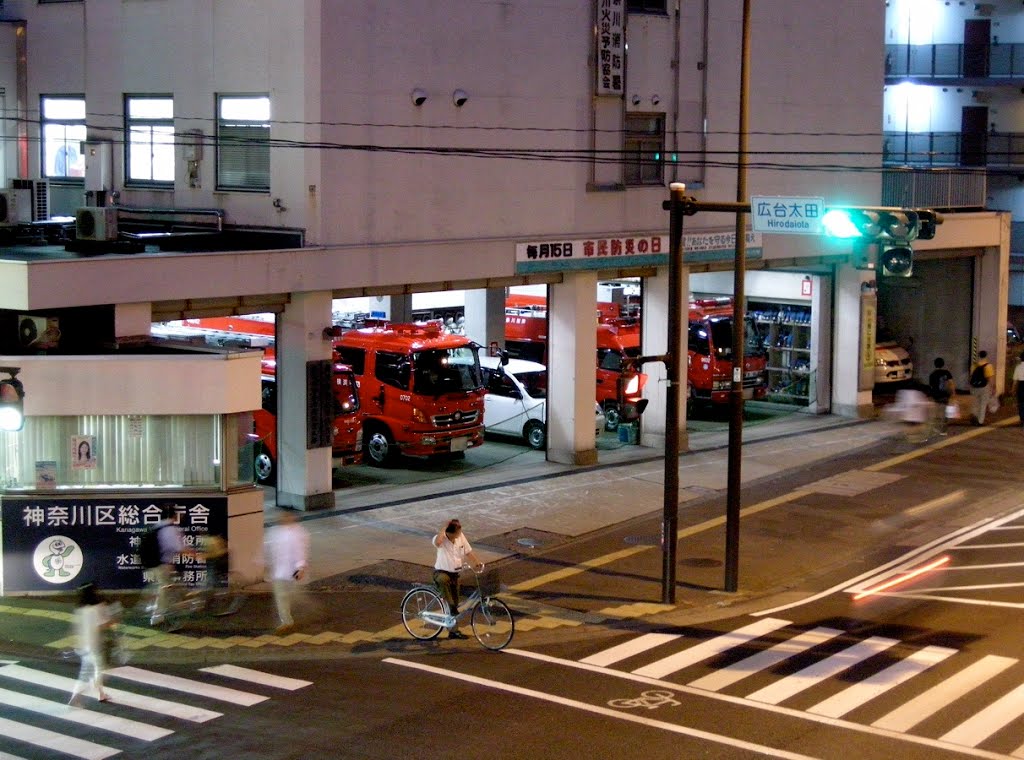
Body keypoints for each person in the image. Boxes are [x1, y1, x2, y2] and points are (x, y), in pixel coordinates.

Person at [432, 518, 484, 640]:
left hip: (455, 574)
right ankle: (451, 606)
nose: (459, 535)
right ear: (450, 533)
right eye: (457, 533)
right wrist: (444, 529)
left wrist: (477, 562)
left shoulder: (460, 537)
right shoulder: (441, 538)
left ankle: (453, 631)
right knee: (443, 582)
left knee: (455, 601)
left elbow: (468, 551)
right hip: (442, 572)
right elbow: (437, 543)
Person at [264, 510, 309, 635]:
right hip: (279, 571)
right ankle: (287, 622)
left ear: (292, 517)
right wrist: (265, 564)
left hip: (293, 571)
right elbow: (268, 548)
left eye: (287, 516)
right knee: (281, 597)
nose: (284, 518)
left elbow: (301, 551)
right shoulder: (274, 531)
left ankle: (304, 610)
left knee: (294, 596)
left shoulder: (298, 532)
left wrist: (301, 568)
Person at [68, 583, 110, 706]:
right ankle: (84, 692)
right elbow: (103, 625)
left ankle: (100, 694)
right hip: (93, 646)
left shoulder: (80, 610)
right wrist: (111, 617)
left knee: (86, 671)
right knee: (99, 670)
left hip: (81, 646)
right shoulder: (95, 609)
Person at [148, 504, 187, 623]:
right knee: (164, 588)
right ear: (174, 515)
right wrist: (195, 554)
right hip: (163, 563)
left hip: (152, 562)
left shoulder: (157, 526)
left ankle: (156, 606)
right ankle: (157, 616)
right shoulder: (171, 529)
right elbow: (179, 548)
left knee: (163, 586)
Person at [928, 357, 955, 435]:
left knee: (937, 412)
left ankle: (936, 428)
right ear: (943, 364)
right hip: (945, 395)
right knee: (945, 412)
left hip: (936, 395)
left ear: (935, 364)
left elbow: (931, 386)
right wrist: (953, 393)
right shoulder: (947, 373)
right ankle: (943, 430)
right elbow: (951, 383)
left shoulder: (932, 374)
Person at [970, 350, 996, 425]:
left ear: (979, 356)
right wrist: (993, 388)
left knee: (975, 403)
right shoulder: (988, 366)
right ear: (986, 356)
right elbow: (990, 379)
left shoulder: (974, 366)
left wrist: (971, 386)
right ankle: (980, 421)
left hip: (974, 387)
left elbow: (971, 377)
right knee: (983, 404)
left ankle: (974, 417)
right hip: (984, 387)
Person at [1013, 354, 1024, 429]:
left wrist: (1013, 389)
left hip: (1021, 386)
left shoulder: (1018, 367)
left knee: (1021, 403)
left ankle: (1022, 420)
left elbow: (1015, 380)